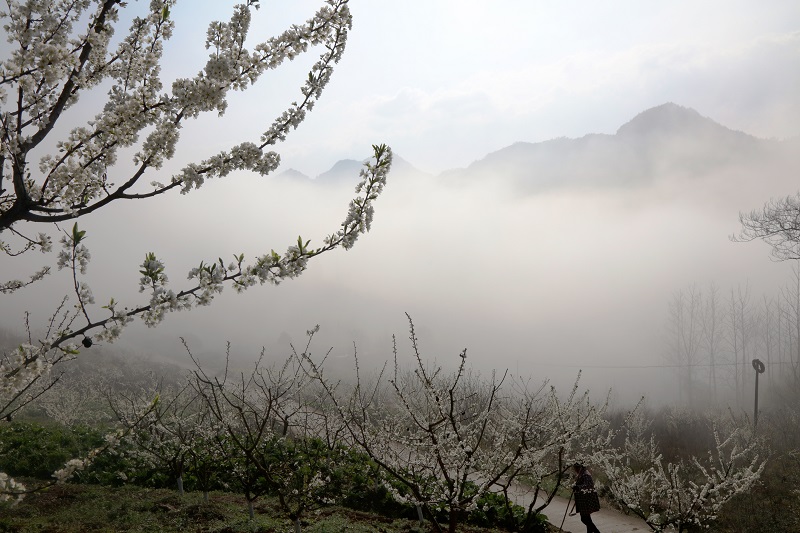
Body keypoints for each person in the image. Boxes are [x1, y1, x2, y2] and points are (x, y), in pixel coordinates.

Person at [572, 462, 601, 533]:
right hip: (583, 499)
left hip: (586, 500)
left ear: (580, 467)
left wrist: (578, 487)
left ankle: (597, 532)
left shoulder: (585, 474)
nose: (575, 470)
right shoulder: (582, 474)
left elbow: (588, 485)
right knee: (587, 518)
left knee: (584, 519)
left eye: (576, 468)